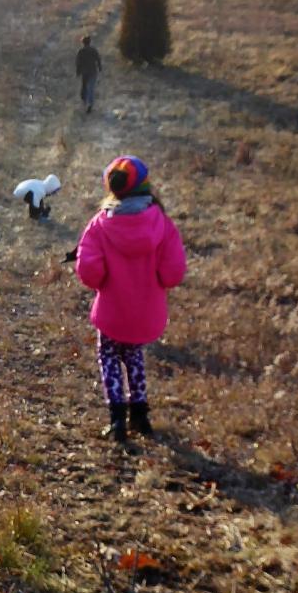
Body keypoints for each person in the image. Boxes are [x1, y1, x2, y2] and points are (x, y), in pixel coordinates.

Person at [73, 155, 186, 444]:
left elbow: (90, 271)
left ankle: (116, 419)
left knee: (109, 356)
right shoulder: (161, 223)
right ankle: (140, 415)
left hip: (112, 311)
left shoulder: (100, 225)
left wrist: (103, 279)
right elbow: (173, 272)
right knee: (134, 355)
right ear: (145, 187)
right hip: (146, 313)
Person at [75, 35, 101, 114]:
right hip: (93, 71)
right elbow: (98, 59)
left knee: (84, 87)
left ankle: (84, 101)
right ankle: (90, 104)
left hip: (85, 72)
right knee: (91, 88)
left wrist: (78, 71)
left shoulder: (81, 51)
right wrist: (100, 67)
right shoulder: (93, 50)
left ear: (83, 43)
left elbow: (78, 62)